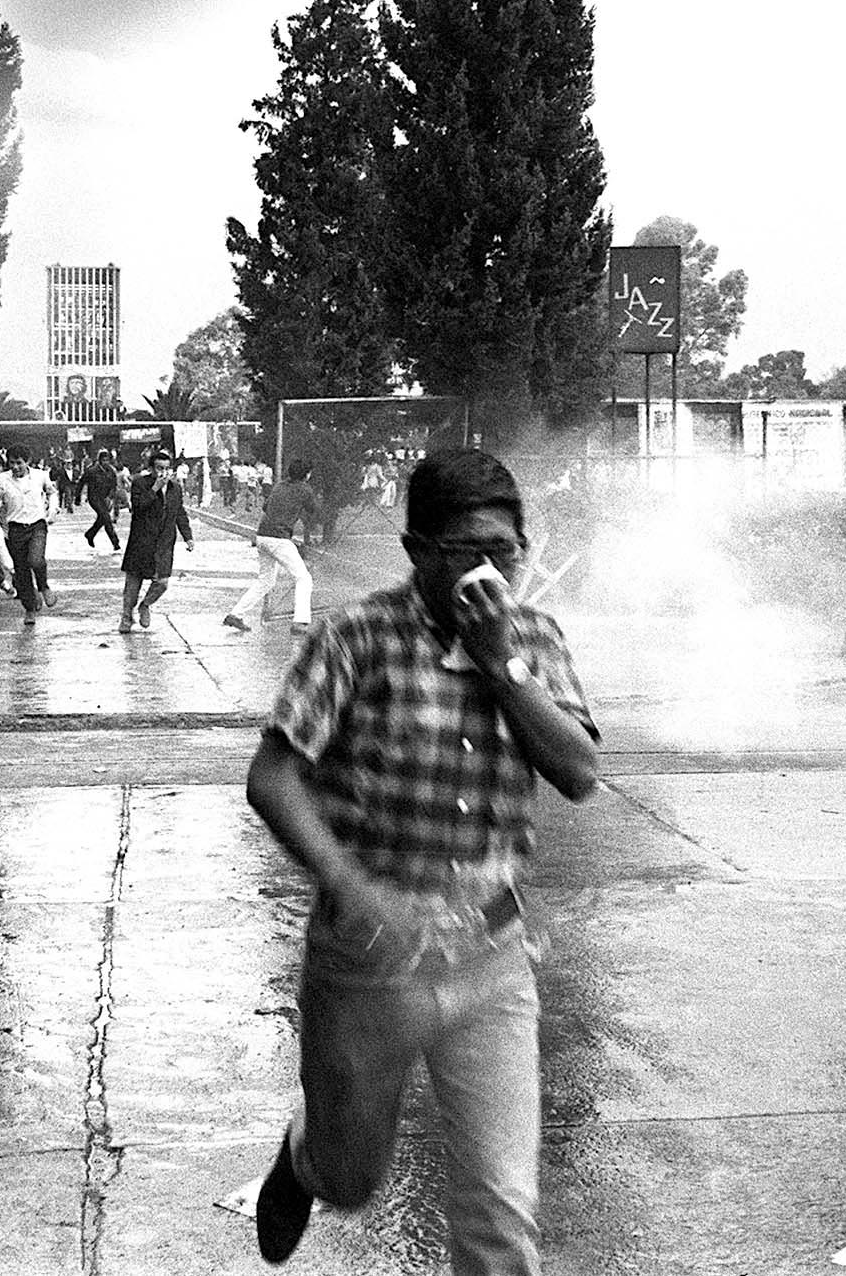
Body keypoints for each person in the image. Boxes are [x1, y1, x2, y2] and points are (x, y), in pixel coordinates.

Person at [244, 448, 601, 1272]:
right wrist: (352, 884)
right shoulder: (355, 639)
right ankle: (307, 1156)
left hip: (492, 961)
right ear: (415, 550)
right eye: (463, 551)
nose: (487, 569)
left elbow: (579, 771)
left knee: (501, 1212)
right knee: (352, 1175)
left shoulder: (535, 640)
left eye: (504, 551)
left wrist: (502, 663)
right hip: (369, 966)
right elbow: (273, 776)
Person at [225, 460, 322, 635]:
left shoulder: (279, 486)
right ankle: (300, 622)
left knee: (266, 580)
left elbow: (265, 506)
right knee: (303, 578)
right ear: (306, 474)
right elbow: (314, 510)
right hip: (279, 538)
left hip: (262, 536)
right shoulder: (305, 489)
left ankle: (235, 614)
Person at [117, 449, 194, 633]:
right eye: (159, 468)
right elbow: (138, 507)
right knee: (132, 586)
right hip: (142, 542)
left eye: (166, 469)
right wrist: (155, 489)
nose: (163, 473)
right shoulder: (140, 484)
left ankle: (146, 605)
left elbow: (179, 513)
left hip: (164, 542)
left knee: (162, 582)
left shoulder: (175, 488)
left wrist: (188, 536)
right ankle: (127, 618)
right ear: (151, 469)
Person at [0, 446, 56, 624]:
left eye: (19, 463)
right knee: (21, 572)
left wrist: (52, 511)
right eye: (12, 463)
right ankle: (29, 609)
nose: (15, 467)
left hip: (37, 525)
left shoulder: (40, 475)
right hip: (15, 528)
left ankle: (44, 586)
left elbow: (52, 492)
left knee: (36, 559)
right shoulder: (3, 479)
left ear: (27, 462)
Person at [83, 449, 122, 551]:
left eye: (107, 460)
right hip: (94, 498)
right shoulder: (91, 471)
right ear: (99, 461)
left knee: (102, 518)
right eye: (104, 460)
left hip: (105, 498)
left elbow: (114, 486)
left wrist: (110, 497)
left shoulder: (111, 471)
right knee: (106, 518)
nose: (106, 463)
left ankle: (90, 534)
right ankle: (115, 542)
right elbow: (82, 482)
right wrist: (78, 497)